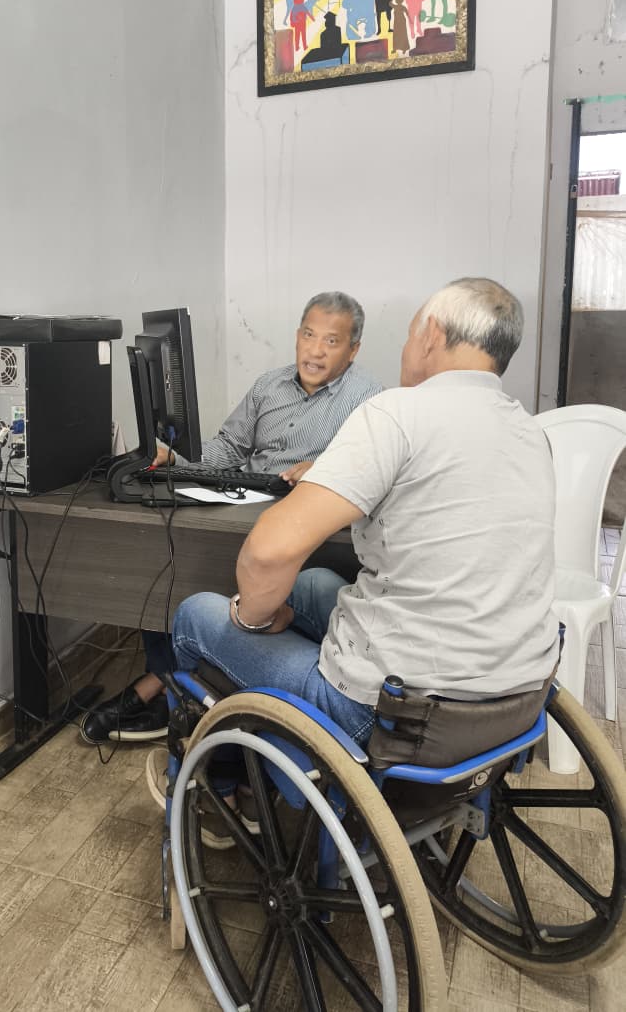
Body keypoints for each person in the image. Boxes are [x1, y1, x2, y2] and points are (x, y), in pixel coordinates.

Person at [154, 278, 558, 789]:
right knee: (315, 583)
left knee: (196, 614)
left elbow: (269, 551)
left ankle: (227, 782)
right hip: (515, 701)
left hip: (395, 712)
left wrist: (249, 620)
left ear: (431, 335)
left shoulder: (394, 412)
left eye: (409, 334)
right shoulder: (533, 431)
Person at [79, 291, 383, 744]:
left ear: (353, 350)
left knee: (238, 581)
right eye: (308, 335)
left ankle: (163, 690)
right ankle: (170, 682)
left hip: (307, 526)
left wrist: (326, 469)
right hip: (244, 504)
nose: (316, 350)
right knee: (165, 552)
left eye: (331, 341)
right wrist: (177, 459)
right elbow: (228, 449)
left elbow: (373, 473)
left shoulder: (371, 401)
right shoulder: (268, 386)